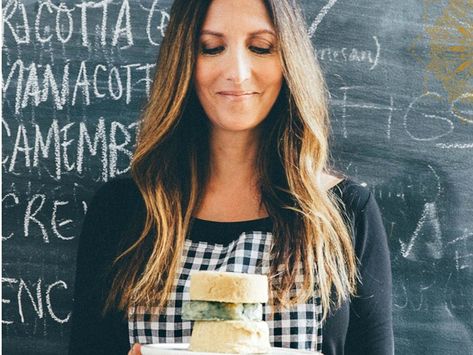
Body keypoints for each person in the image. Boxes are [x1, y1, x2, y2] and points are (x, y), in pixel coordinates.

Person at [68, 0, 394, 354]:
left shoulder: (345, 212)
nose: (237, 72)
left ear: (288, 61)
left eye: (260, 48)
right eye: (211, 48)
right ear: (184, 62)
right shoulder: (122, 210)